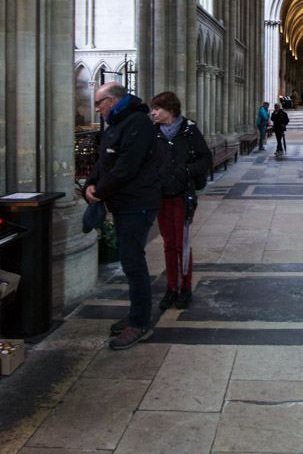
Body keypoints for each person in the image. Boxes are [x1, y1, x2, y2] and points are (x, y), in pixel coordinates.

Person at [85, 82, 161, 350]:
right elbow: (104, 159)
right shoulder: (118, 122)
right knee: (130, 262)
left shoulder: (137, 123)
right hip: (124, 202)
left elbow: (127, 166)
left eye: (99, 103)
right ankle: (136, 312)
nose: (96, 109)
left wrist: (100, 191)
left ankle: (139, 321)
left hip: (136, 203)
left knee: (133, 262)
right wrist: (90, 184)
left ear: (114, 100)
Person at [151, 90, 212, 311]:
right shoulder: (154, 133)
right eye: (153, 108)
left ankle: (185, 288)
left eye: (157, 109)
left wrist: (185, 171)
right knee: (168, 244)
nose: (154, 113)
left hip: (182, 196)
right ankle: (171, 288)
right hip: (161, 197)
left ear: (171, 111)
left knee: (182, 244)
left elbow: (206, 158)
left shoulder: (189, 130)